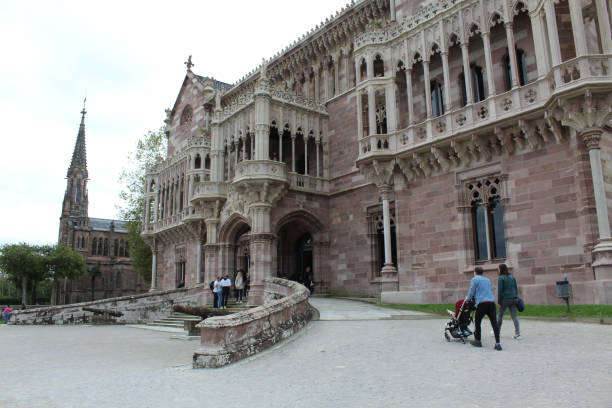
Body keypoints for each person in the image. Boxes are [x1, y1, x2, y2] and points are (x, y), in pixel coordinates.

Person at [466, 267, 502, 351]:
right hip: (491, 303)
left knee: (477, 322)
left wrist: (467, 299)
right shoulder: (487, 280)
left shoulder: (474, 279)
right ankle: (497, 343)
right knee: (494, 323)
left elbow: (471, 291)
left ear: (475, 272)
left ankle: (478, 341)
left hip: (482, 303)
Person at [497, 263, 521, 340]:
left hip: (505, 299)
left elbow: (500, 291)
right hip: (514, 298)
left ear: (501, 269)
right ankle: (517, 333)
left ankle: (497, 332)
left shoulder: (501, 278)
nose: (498, 270)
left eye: (498, 268)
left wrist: (499, 302)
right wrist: (516, 297)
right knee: (514, 316)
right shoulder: (512, 277)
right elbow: (516, 288)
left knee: (500, 316)